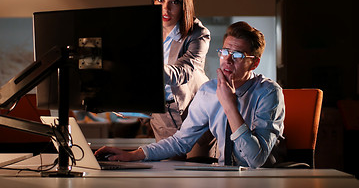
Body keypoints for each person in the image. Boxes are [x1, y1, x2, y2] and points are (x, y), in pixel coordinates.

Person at [95, 21, 285, 168]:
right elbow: (180, 141)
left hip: (260, 179)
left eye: (237, 55)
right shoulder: (209, 91)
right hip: (223, 176)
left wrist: (229, 106)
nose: (227, 60)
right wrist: (133, 155)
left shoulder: (268, 93)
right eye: (225, 51)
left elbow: (255, 160)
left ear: (254, 63)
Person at [149, 0, 216, 160]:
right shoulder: (147, 33)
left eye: (174, 2)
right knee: (168, 178)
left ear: (184, 5)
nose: (166, 8)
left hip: (195, 117)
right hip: (163, 118)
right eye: (160, 0)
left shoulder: (198, 34)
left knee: (198, 175)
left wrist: (146, 69)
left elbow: (184, 71)